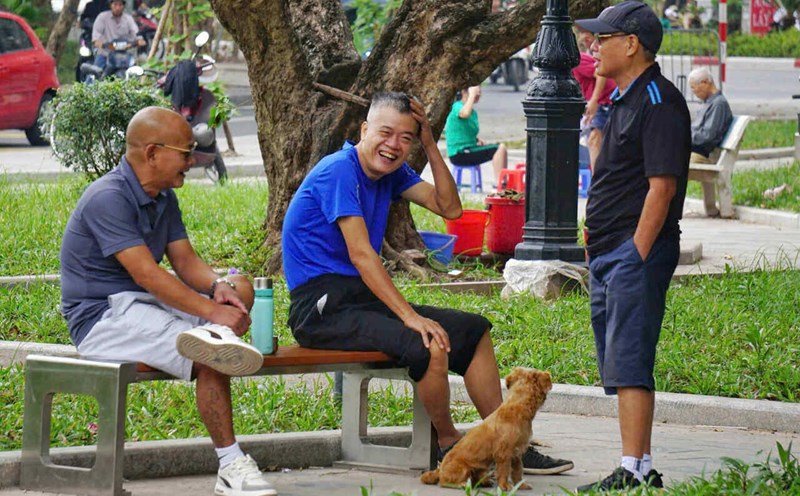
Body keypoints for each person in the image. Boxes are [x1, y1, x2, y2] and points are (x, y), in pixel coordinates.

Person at [282, 91, 573, 475]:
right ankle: (451, 448)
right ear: (365, 129)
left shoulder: (390, 174)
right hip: (320, 307)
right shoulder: (339, 170)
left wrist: (431, 146)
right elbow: (361, 255)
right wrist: (409, 317)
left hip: (361, 300)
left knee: (474, 331)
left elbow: (449, 208)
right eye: (386, 133)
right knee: (429, 342)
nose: (394, 145)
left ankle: (508, 441)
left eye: (406, 138)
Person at [60, 106, 278, 496]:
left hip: (143, 305)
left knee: (239, 288)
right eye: (185, 152)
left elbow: (185, 261)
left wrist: (217, 289)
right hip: (101, 318)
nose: (192, 161)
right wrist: (214, 314)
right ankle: (231, 465)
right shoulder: (106, 198)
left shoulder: (162, 196)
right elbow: (149, 275)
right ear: (152, 153)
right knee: (212, 350)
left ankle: (216, 338)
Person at [575, 1, 691, 492]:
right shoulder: (624, 99)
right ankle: (639, 465)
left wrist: (634, 254)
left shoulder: (660, 102)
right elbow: (612, 178)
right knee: (619, 363)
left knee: (630, 361)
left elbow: (661, 188)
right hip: (607, 253)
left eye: (603, 38)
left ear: (631, 44)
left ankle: (634, 471)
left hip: (632, 255)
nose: (593, 46)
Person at [445, 86, 508, 190]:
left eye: (479, 92)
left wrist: (477, 140)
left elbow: (464, 130)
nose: (478, 95)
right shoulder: (457, 106)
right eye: (476, 92)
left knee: (501, 148)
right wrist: (471, 95)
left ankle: (503, 182)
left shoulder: (473, 113)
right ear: (464, 92)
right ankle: (499, 184)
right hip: (459, 153)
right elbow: (464, 114)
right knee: (500, 148)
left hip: (469, 149)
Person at [573, 25, 617, 171]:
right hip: (602, 101)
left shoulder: (577, 61)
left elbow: (599, 73)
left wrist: (594, 100)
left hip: (605, 101)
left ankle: (597, 182)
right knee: (596, 141)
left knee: (594, 139)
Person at [688, 67, 733, 165]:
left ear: (705, 82)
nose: (693, 92)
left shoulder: (718, 104)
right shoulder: (709, 102)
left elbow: (707, 136)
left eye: (693, 87)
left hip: (704, 154)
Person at [91, 0, 142, 70]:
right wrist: (100, 43)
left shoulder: (128, 19)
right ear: (110, 5)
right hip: (105, 54)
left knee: (136, 74)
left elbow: (136, 33)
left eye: (120, 5)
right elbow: (96, 37)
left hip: (124, 56)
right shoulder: (102, 17)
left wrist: (139, 40)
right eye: (115, 4)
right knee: (94, 76)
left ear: (123, 6)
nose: (117, 8)